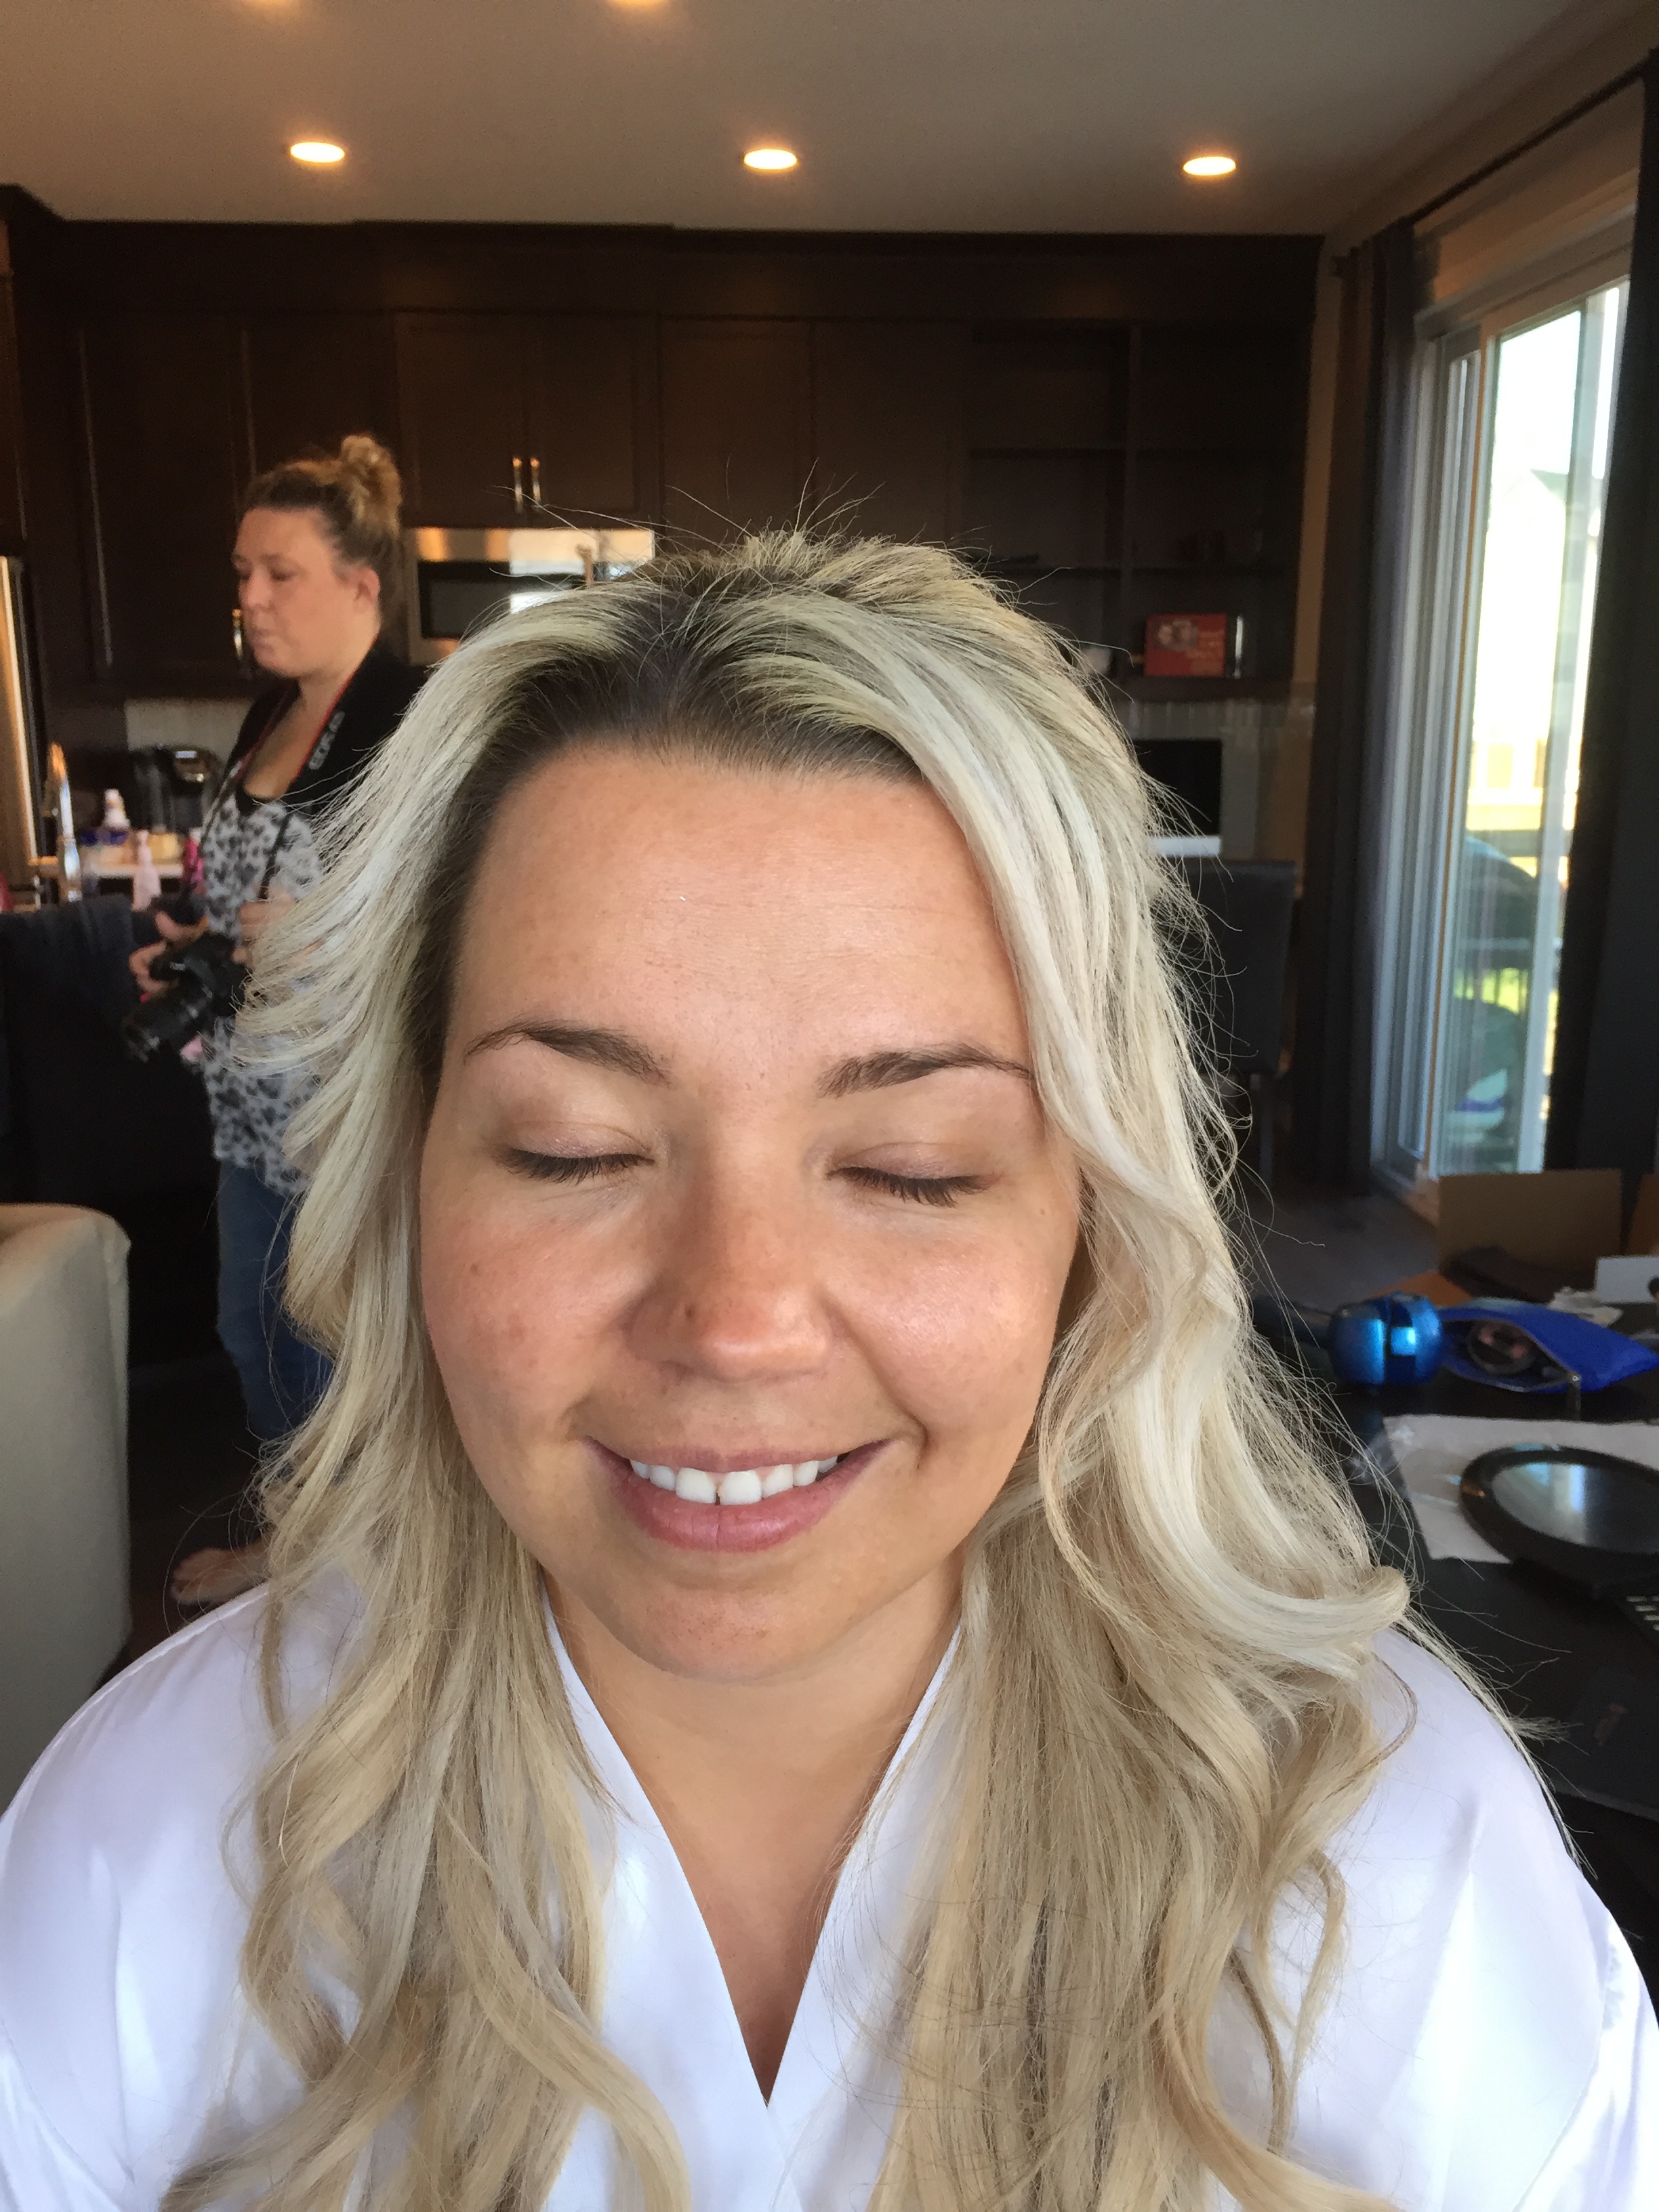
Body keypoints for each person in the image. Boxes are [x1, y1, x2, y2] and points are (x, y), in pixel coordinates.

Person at [1, 535, 1652, 2212]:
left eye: (912, 1169)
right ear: (406, 1184)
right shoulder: (144, 1861)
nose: (736, 1322)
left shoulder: (1401, 1877)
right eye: (574, 1149)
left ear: (1091, 1228)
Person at [131, 434, 424, 1608]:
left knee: (336, 1345)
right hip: (253, 1107)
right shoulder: (269, 715)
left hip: (349, 1114)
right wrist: (189, 948)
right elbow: (248, 898)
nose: (250, 598)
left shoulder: (407, 721)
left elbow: (467, 910)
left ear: (360, 584)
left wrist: (330, 935)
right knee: (252, 1332)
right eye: (243, 574)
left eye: (279, 573)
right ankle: (306, 1543)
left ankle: (351, 1574)